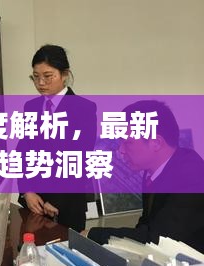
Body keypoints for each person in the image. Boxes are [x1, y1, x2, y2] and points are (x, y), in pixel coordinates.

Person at [85, 100, 204, 252]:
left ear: (156, 143)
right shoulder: (152, 171)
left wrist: (93, 234)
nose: (121, 150)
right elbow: (146, 224)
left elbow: (158, 239)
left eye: (128, 143)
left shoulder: (192, 176)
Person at [18, 44, 97, 232]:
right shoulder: (31, 107)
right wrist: (27, 191)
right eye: (35, 77)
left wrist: (56, 200)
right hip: (34, 202)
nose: (41, 83)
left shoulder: (83, 108)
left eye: (48, 76)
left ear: (64, 74)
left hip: (66, 204)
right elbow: (22, 152)